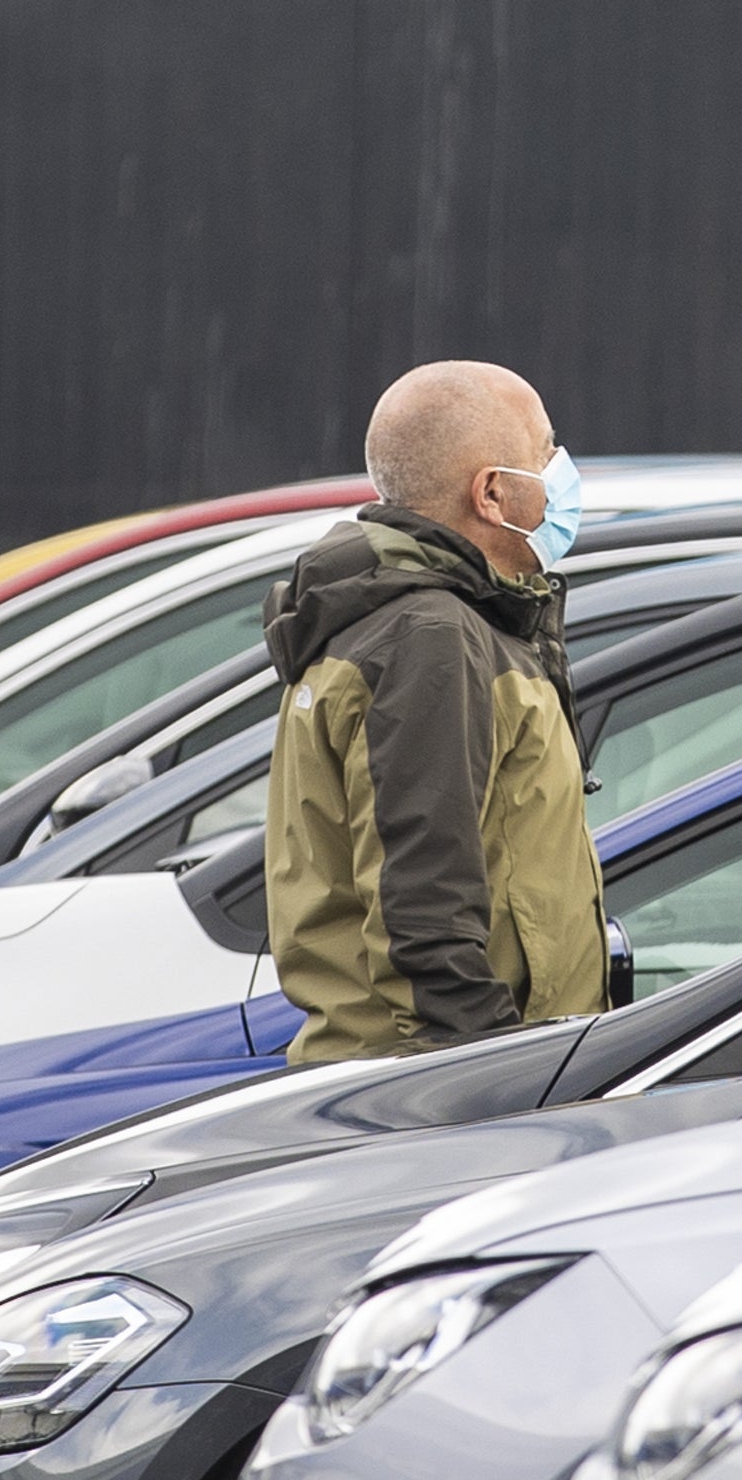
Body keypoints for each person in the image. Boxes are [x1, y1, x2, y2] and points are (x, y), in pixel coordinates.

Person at [260, 360, 607, 1062]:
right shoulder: (430, 638)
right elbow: (424, 920)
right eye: (545, 452)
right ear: (491, 492)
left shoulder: (430, 621)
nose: (561, 471)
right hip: (438, 1106)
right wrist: (498, 1082)